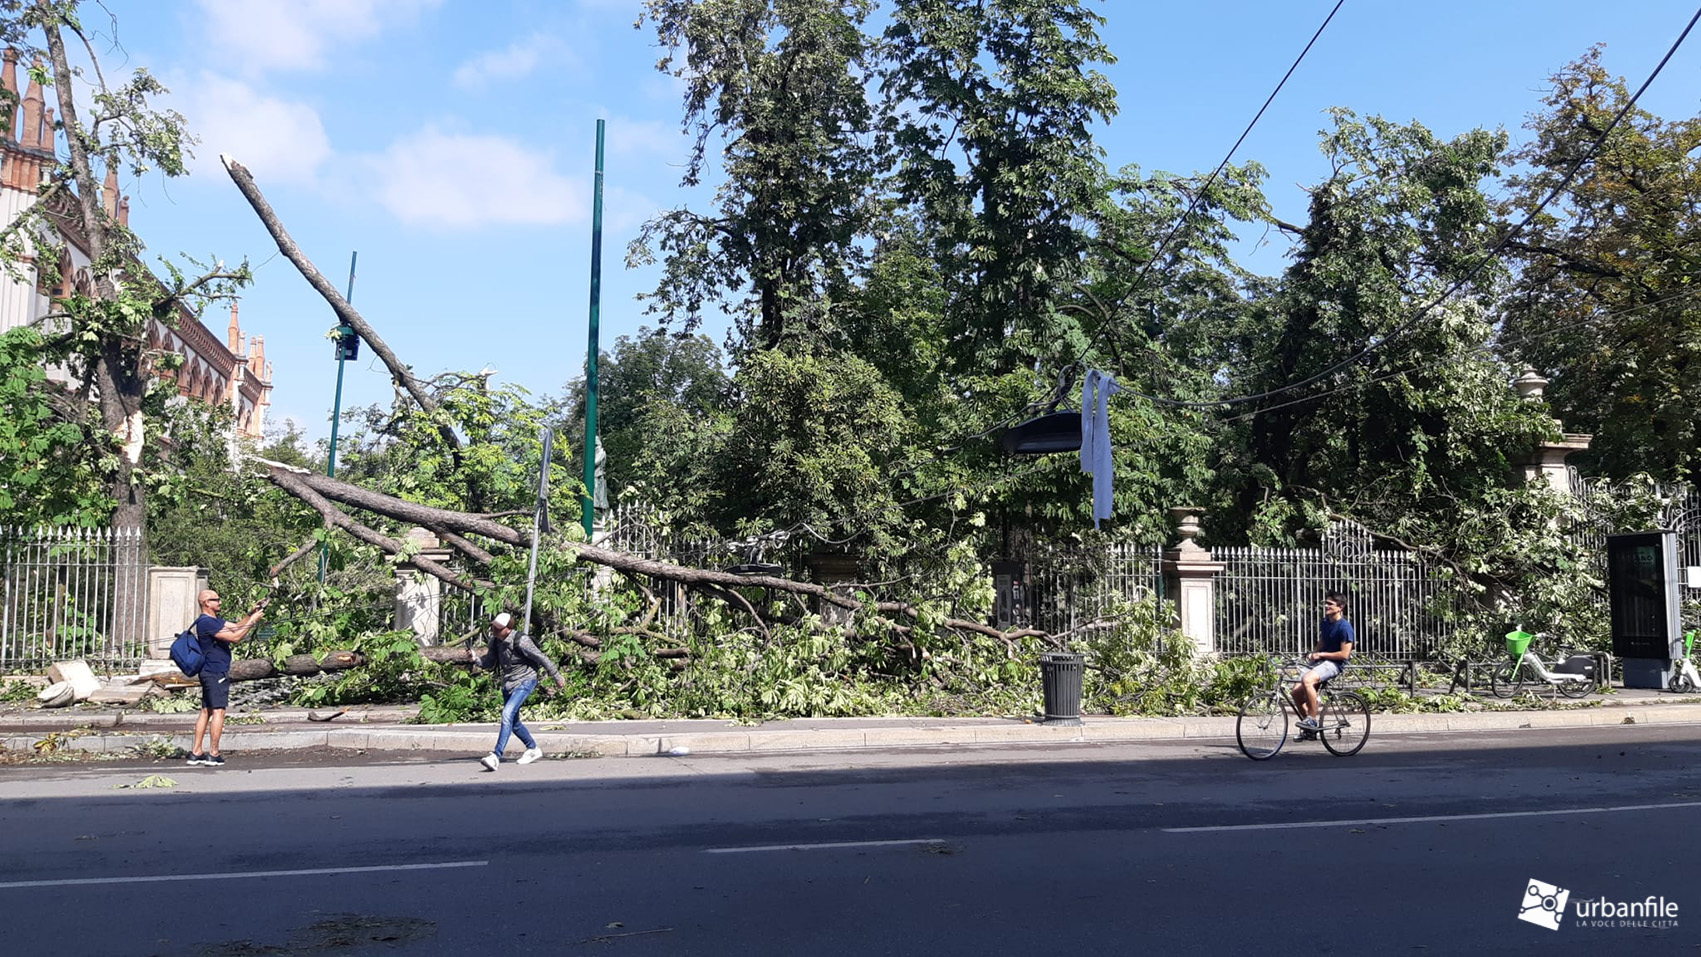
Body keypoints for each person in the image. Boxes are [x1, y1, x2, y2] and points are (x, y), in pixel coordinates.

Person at [471, 612, 566, 771]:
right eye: (493, 626)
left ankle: (496, 756)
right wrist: (475, 659)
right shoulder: (495, 642)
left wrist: (556, 676)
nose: (494, 630)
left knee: (507, 714)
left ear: (507, 629)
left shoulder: (522, 641)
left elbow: (541, 657)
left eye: (498, 628)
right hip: (508, 684)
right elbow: (489, 663)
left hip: (525, 681)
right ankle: (533, 749)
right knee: (513, 723)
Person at [188, 589, 267, 767]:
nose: (220, 602)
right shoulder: (206, 623)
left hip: (210, 671)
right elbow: (236, 637)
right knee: (219, 711)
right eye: (216, 600)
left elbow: (236, 626)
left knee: (206, 711)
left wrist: (250, 614)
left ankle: (196, 752)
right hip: (215, 671)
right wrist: (253, 621)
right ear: (206, 603)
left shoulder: (214, 621)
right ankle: (213, 753)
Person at [1293, 590, 1354, 732]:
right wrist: (1314, 653)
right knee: (1295, 692)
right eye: (1326, 603)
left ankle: (1312, 720)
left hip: (1334, 664)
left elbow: (1344, 654)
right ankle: (1309, 729)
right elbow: (1323, 640)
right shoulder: (1326, 622)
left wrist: (1321, 654)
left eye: (1330, 604)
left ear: (1340, 607)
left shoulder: (1345, 627)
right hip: (1321, 661)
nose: (1326, 606)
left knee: (1307, 680)